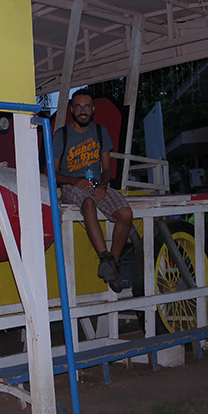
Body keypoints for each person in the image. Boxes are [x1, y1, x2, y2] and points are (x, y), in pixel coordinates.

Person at [52, 89, 134, 292]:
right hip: (72, 185)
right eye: (78, 107)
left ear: (93, 109)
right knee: (88, 204)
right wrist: (75, 180)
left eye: (86, 107)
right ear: (72, 110)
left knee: (126, 213)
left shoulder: (100, 131)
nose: (82, 111)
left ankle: (111, 263)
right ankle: (104, 256)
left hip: (98, 184)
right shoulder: (61, 135)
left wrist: (104, 186)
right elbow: (52, 173)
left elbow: (107, 169)